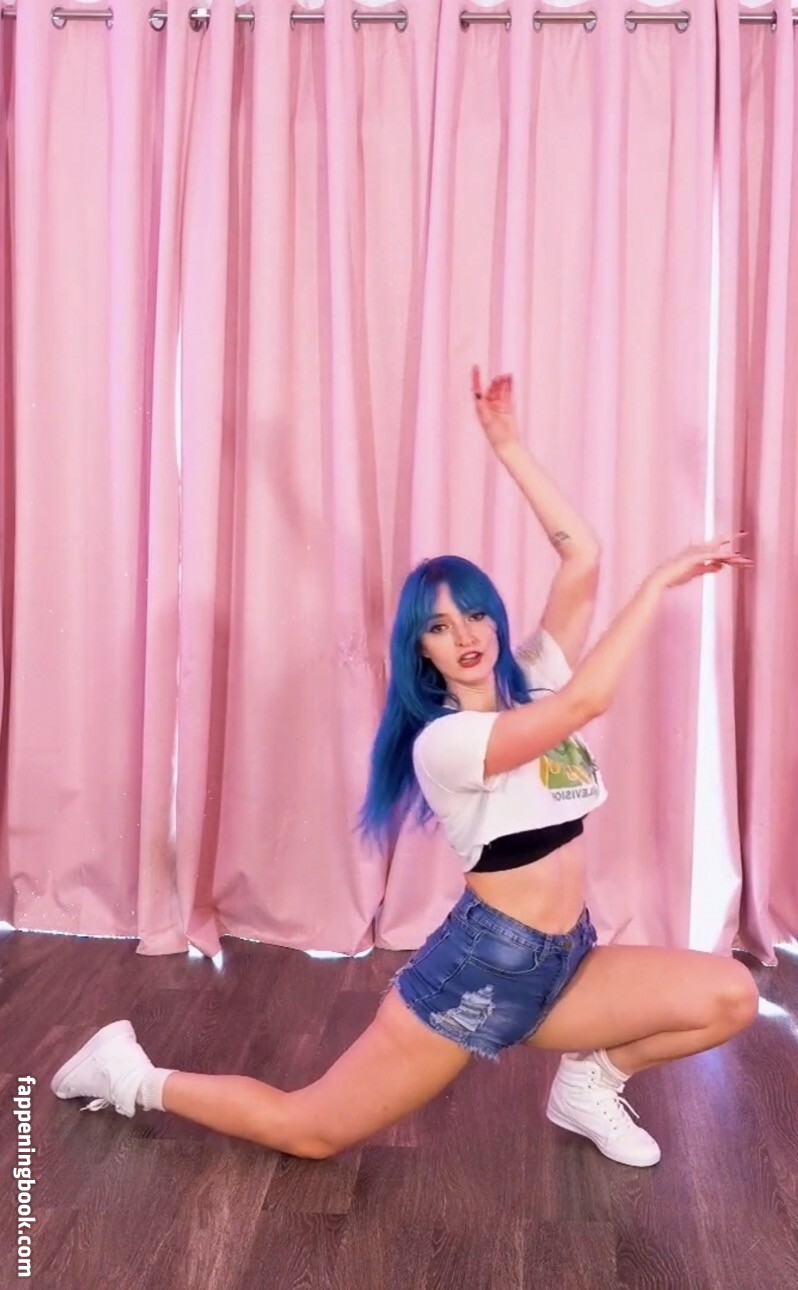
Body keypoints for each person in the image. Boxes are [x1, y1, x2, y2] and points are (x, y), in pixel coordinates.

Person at [50, 368, 757, 1168]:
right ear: (420, 649)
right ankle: (131, 1076)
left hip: (567, 959)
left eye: (476, 613)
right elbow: (587, 704)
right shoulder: (446, 741)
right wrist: (659, 584)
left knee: (729, 996)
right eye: (440, 627)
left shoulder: (535, 677)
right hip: (479, 973)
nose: (467, 635)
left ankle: (589, 1083)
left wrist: (508, 446)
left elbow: (582, 556)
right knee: (312, 1129)